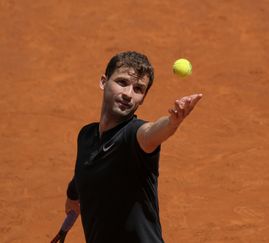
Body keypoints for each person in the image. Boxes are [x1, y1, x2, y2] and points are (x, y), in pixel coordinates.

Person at [64, 51, 202, 243]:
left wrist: (172, 122)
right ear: (103, 82)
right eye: (122, 82)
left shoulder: (133, 136)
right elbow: (85, 169)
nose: (128, 94)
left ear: (143, 99)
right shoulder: (86, 136)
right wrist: (72, 195)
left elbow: (151, 132)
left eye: (138, 89)